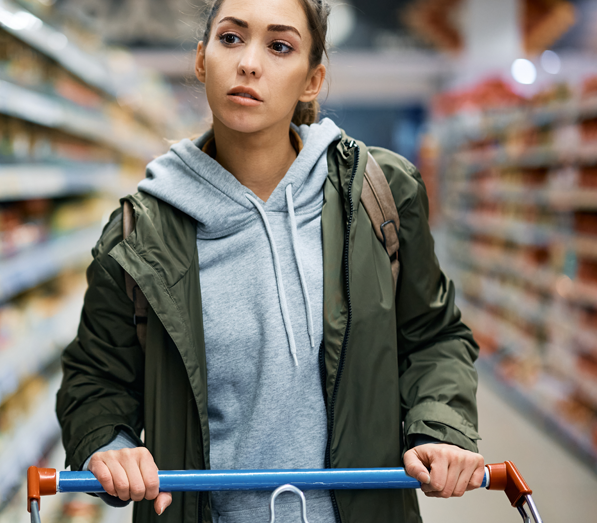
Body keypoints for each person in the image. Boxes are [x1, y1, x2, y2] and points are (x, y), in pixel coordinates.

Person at [56, 0, 484, 521]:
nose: (249, 63)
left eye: (280, 46)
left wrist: (439, 427)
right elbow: (95, 378)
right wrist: (110, 443)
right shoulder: (140, 232)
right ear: (200, 59)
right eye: (231, 39)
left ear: (312, 79)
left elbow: (433, 336)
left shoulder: (378, 195)